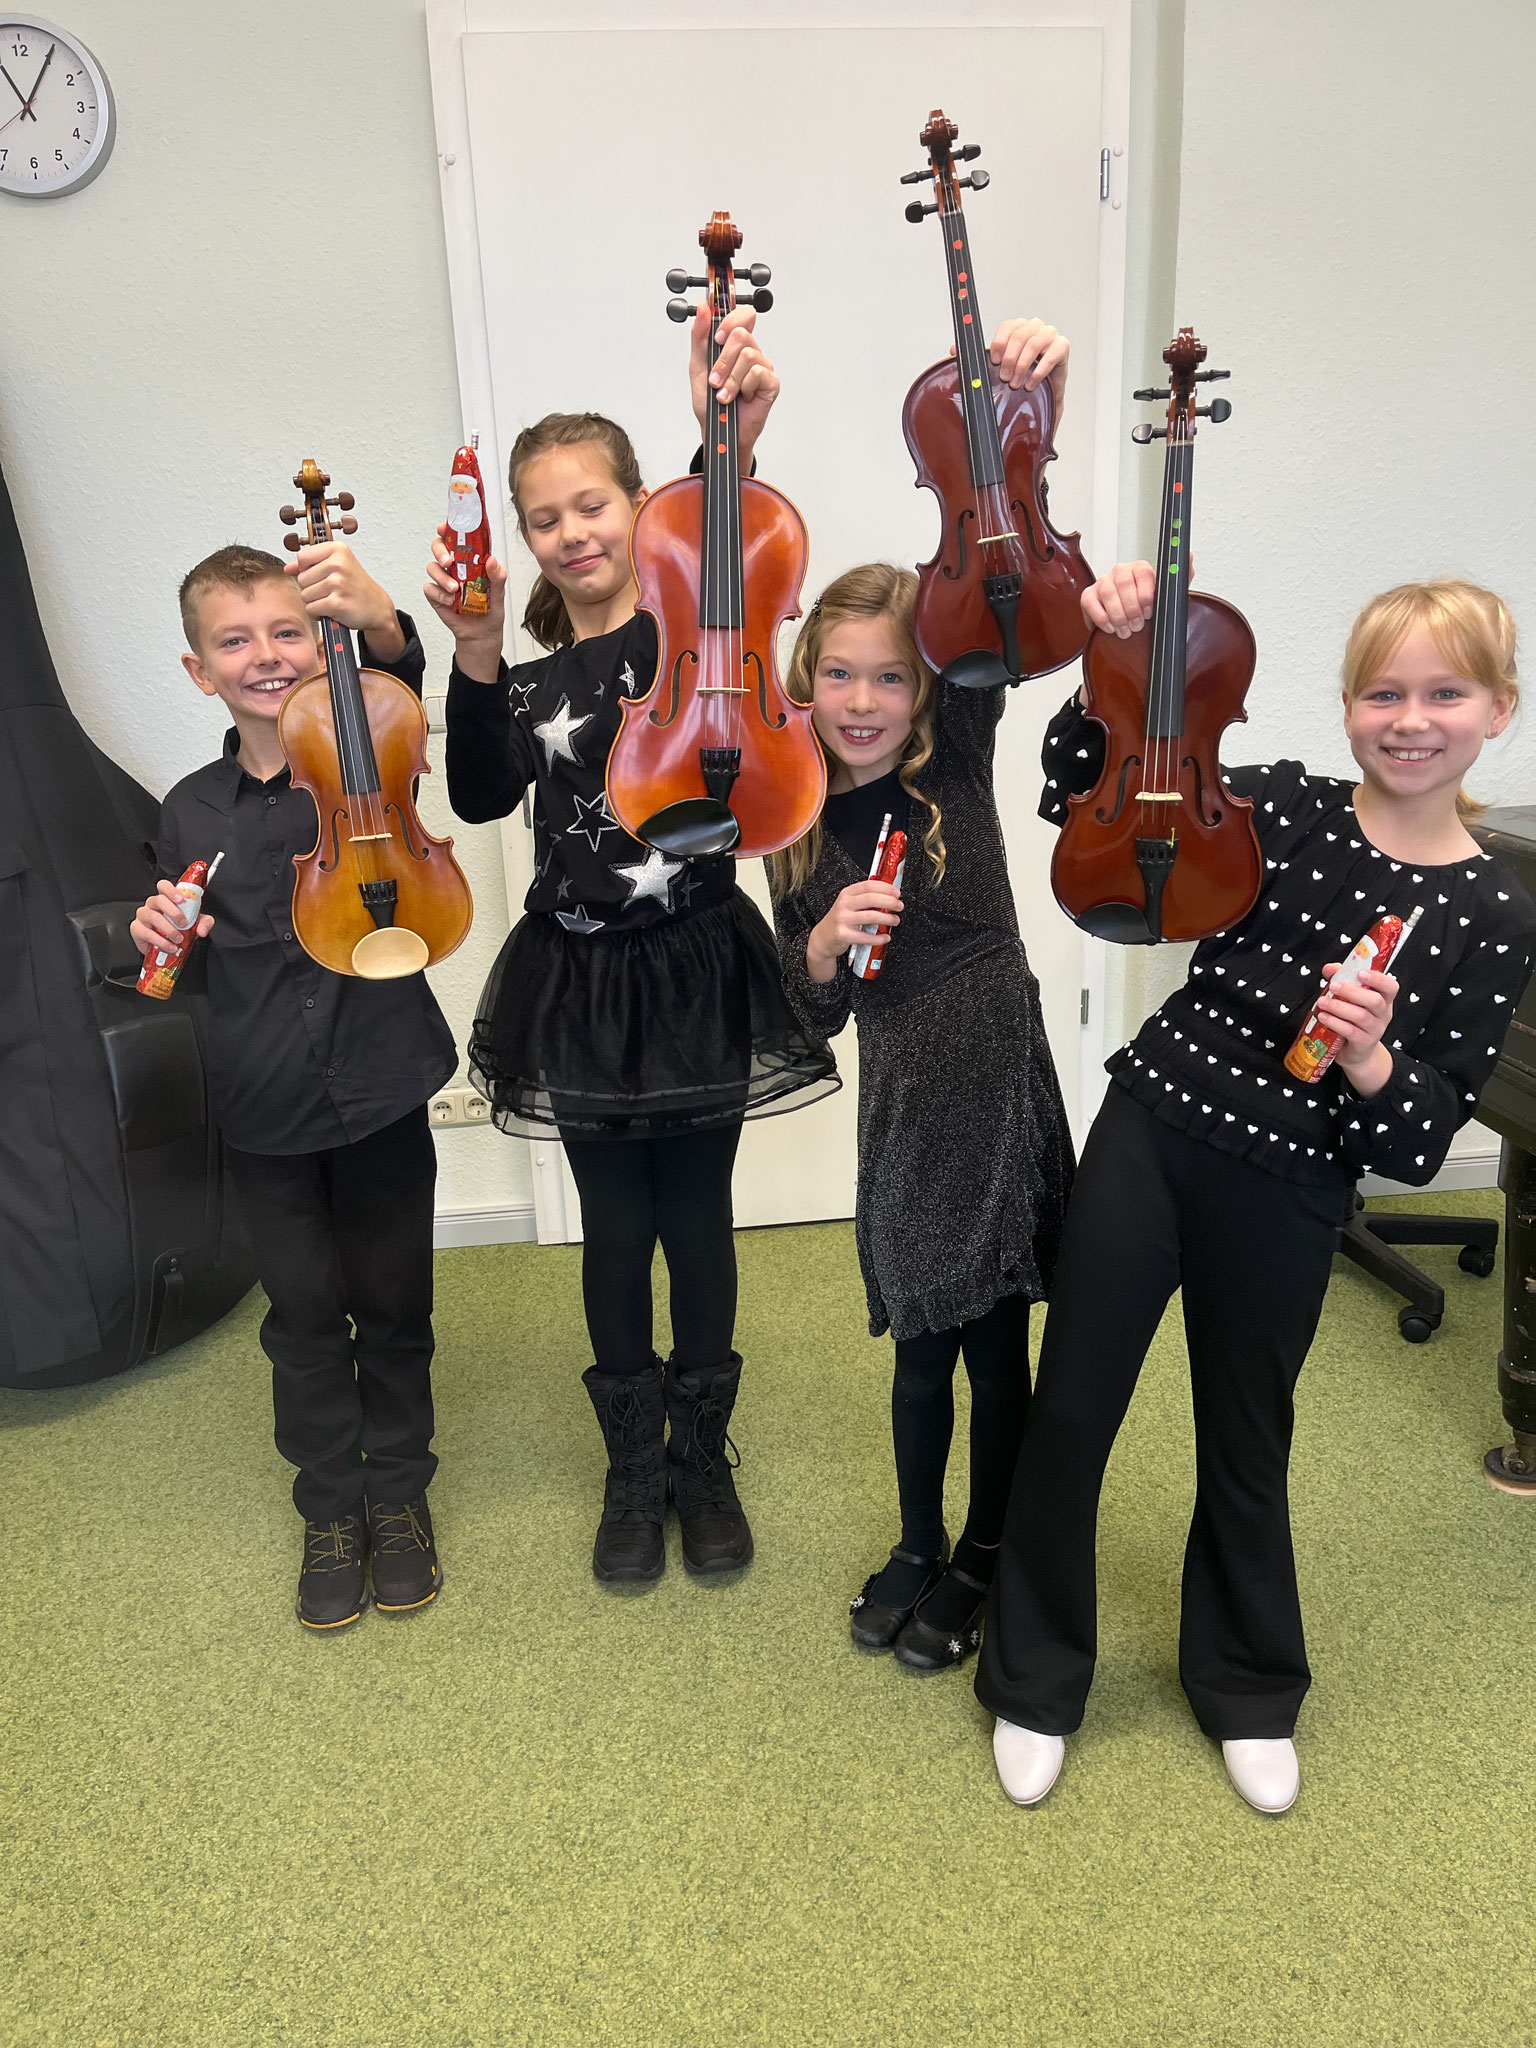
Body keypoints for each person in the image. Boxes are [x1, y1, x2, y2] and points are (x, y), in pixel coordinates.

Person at [979, 569, 1536, 1812]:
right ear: (1347, 704)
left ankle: (1245, 1683)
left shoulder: (1495, 907)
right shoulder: (1280, 803)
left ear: (1498, 708)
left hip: (1293, 1178)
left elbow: (1420, 1139)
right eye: (1383, 692)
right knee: (1074, 1407)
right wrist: (1115, 659)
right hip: (1156, 1127)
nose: (1411, 718)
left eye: (1446, 693)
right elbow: (1078, 790)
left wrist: (1371, 1055)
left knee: (1248, 1434)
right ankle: (1033, 1675)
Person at [428, 307, 836, 1589]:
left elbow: (724, 552)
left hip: (696, 959)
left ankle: (701, 1457)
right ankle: (632, 1466)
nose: (572, 531)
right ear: (525, 539)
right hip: (581, 982)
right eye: (543, 517)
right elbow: (481, 792)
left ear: (636, 505)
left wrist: (728, 441)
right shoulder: (529, 680)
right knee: (613, 1227)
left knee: (697, 1220)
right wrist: (476, 650)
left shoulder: (685, 635)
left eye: (593, 503)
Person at [767, 321, 1078, 1671]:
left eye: (890, 675)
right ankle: (915, 1538)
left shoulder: (957, 749)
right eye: (839, 673)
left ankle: (988, 1550)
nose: (863, 698)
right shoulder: (790, 814)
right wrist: (823, 942)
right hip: (900, 1103)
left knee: (996, 1347)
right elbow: (811, 1012)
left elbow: (998, 577)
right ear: (806, 682)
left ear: (926, 688)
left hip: (992, 1072)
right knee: (915, 1349)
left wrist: (1031, 410)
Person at [130, 541, 454, 1631]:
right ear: (200, 671)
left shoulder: (371, 761)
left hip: (380, 1080)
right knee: (305, 1314)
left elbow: (405, 686)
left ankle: (398, 1494)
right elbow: (185, 965)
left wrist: (379, 623)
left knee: (394, 1302)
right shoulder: (189, 810)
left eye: (285, 631)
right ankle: (330, 1506)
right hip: (264, 1102)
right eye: (235, 640)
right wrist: (156, 941)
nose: (264, 655)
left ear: (320, 644)